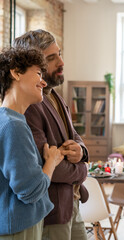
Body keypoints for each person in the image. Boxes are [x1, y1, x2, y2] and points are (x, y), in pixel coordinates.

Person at [12, 30, 89, 240]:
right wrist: (82, 169)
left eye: (60, 54)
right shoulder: (28, 105)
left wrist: (80, 151)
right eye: (51, 58)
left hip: (71, 202)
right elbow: (43, 166)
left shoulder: (54, 94)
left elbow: (74, 135)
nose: (61, 62)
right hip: (51, 212)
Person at [0, 47, 64, 239]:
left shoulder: (10, 120)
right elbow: (31, 191)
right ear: (16, 72)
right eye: (38, 73)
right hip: (19, 228)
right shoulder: (13, 126)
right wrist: (51, 161)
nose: (43, 82)